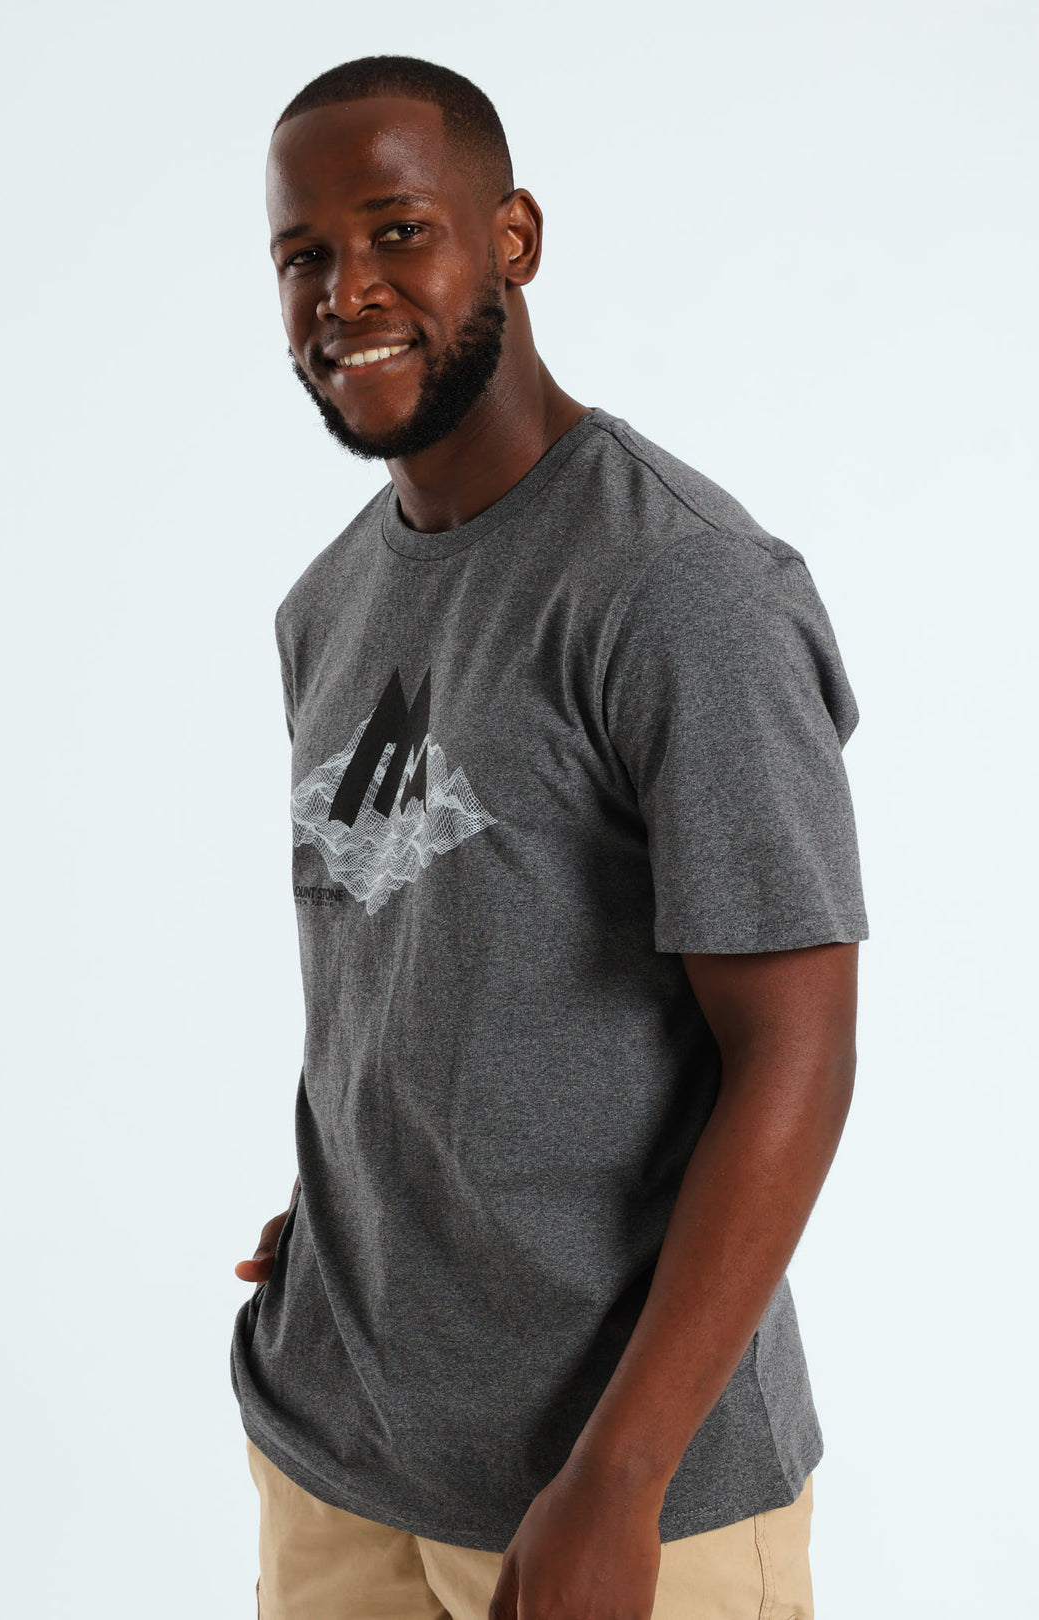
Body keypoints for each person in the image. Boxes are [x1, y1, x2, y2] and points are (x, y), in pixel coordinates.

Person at [230, 53, 868, 1620]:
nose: (346, 293)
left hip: (615, 1496)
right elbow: (413, 942)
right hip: (336, 1458)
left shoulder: (682, 589)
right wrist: (364, 1206)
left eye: (398, 233)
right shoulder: (330, 605)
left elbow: (795, 1052)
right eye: (304, 255)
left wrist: (621, 1479)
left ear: (512, 237)